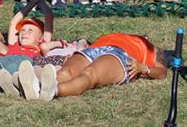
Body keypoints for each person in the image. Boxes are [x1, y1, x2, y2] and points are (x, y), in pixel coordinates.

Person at [23, 31, 168, 101]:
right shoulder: (120, 34)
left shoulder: (151, 48)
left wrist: (144, 68)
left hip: (121, 55)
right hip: (96, 48)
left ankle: (53, 90)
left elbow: (162, 72)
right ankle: (37, 88)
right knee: (66, 72)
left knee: (90, 74)